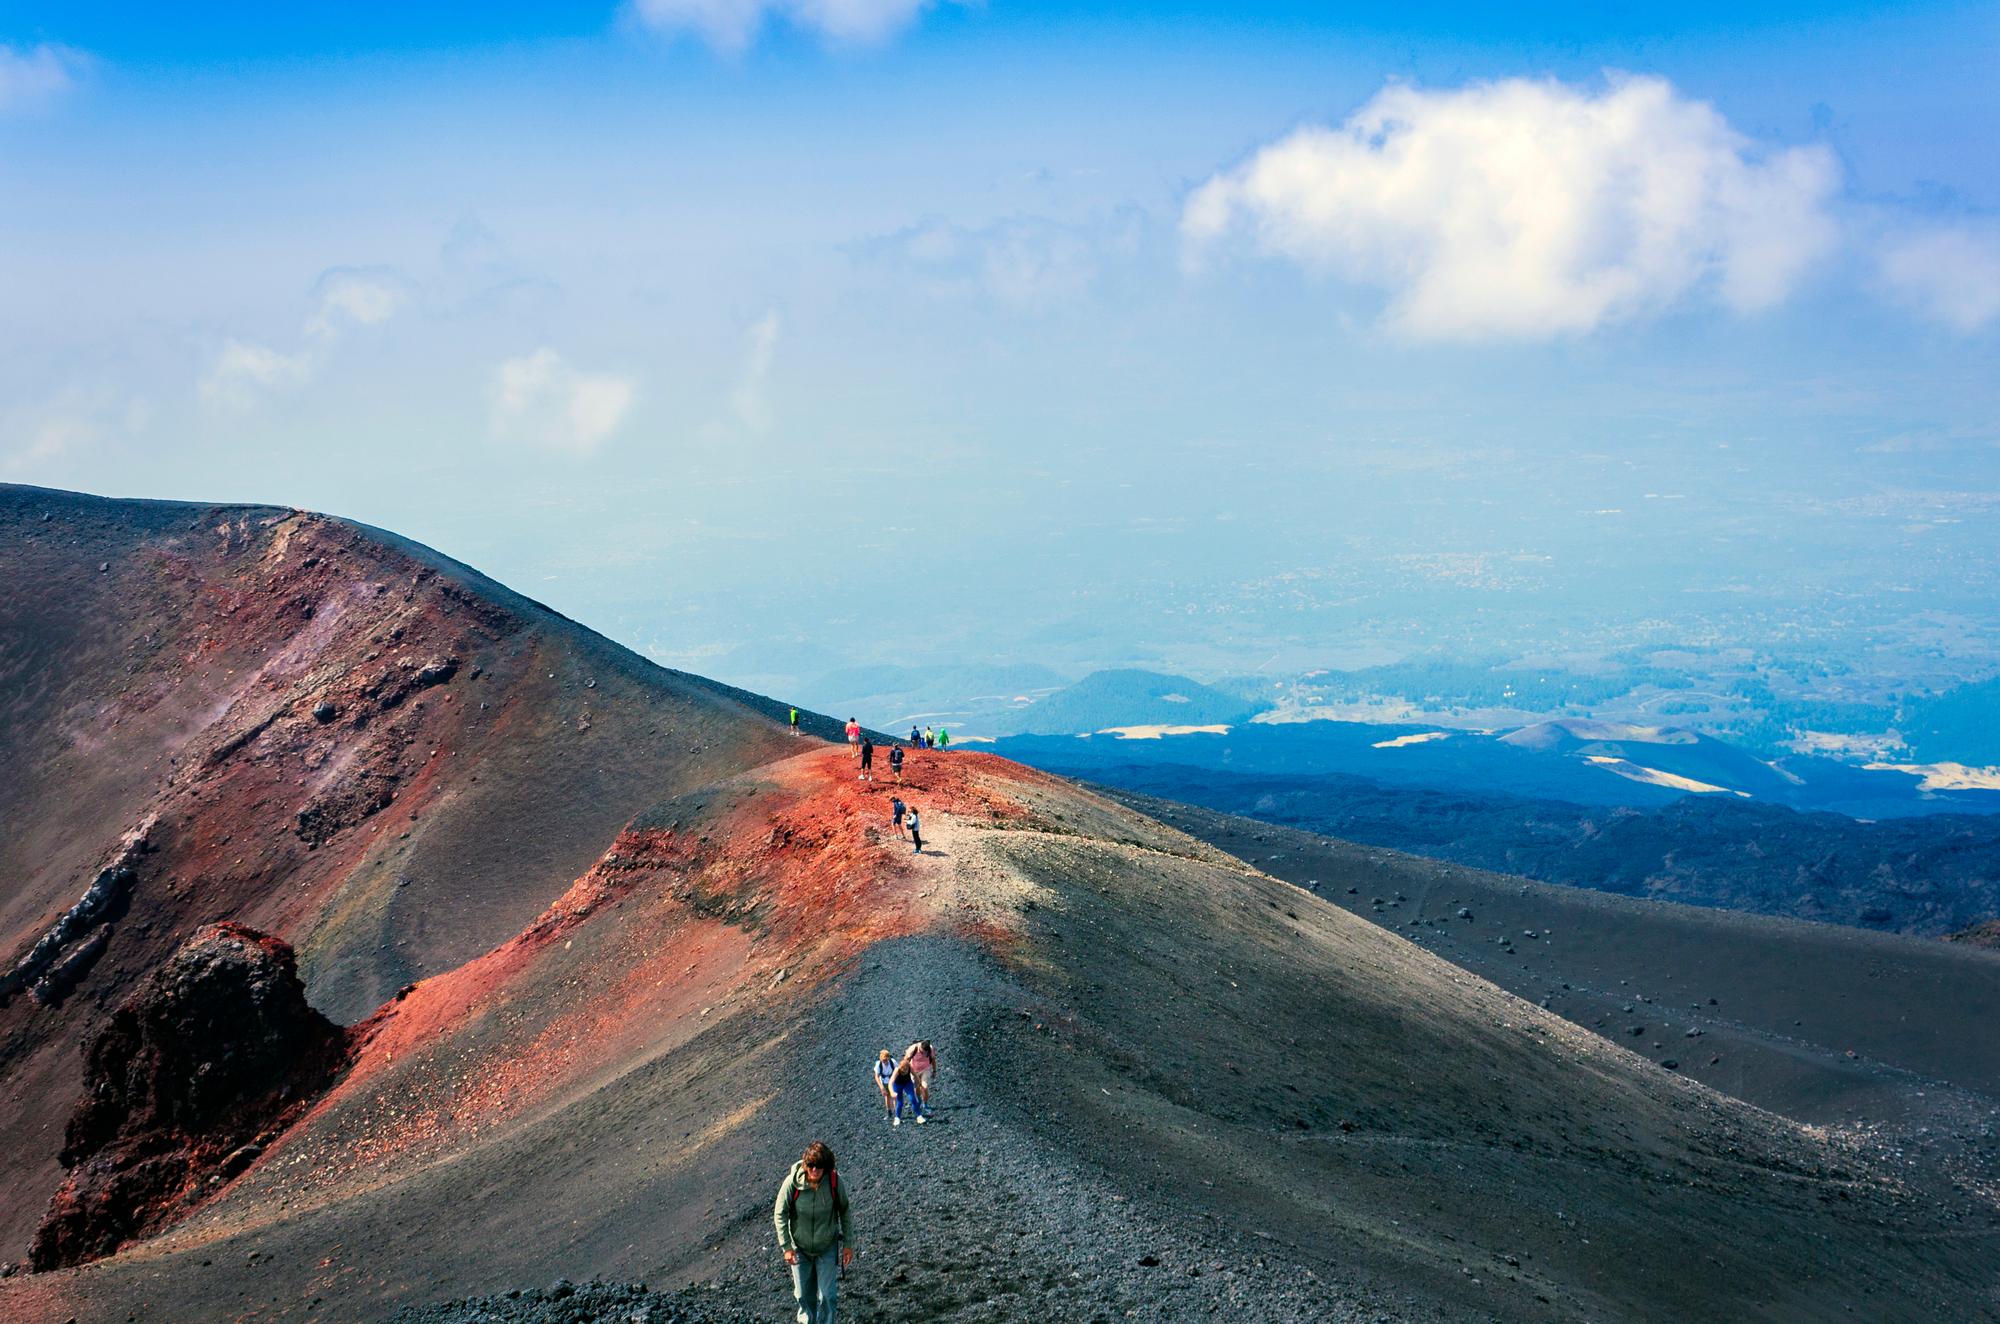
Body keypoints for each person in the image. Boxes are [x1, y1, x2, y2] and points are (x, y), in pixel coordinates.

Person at [773, 1141, 853, 1324]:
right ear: (805, 1164)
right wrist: (786, 1246)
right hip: (800, 1248)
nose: (814, 1170)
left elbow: (845, 1210)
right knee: (804, 1296)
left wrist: (848, 1244)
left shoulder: (834, 1181)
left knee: (827, 1297)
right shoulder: (792, 1183)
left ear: (827, 1166)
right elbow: (780, 1213)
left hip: (826, 1247)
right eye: (811, 1165)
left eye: (819, 1166)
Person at [889, 1054, 925, 1126]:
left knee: (912, 1099)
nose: (904, 1072)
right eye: (903, 1071)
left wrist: (920, 1085)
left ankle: (919, 1116)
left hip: (907, 1083)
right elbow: (891, 1082)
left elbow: (915, 1075)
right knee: (900, 1102)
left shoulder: (910, 1067)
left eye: (906, 1070)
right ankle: (897, 1118)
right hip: (897, 1085)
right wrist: (892, 1092)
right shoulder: (897, 1070)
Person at [903, 1040, 937, 1106]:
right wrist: (905, 1071)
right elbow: (905, 1060)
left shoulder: (930, 1049)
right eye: (922, 1051)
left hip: (925, 1070)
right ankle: (919, 1100)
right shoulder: (913, 1049)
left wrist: (934, 1071)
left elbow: (933, 1060)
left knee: (925, 1087)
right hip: (914, 1071)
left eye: (925, 1052)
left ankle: (925, 1104)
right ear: (920, 1047)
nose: (924, 1053)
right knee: (916, 1087)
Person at [872, 1050, 897, 1119]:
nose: (884, 1062)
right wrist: (881, 1087)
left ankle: (896, 1113)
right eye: (883, 1060)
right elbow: (876, 1076)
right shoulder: (878, 1064)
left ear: (888, 1058)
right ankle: (889, 1112)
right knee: (887, 1096)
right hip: (884, 1081)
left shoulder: (893, 1062)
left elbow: (897, 1071)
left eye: (885, 1060)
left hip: (893, 1080)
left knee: (894, 1096)